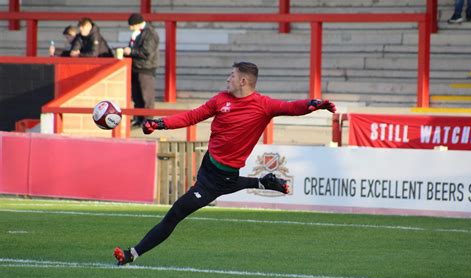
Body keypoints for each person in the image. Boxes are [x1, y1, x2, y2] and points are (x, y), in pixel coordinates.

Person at [114, 61, 336, 265]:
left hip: (218, 179)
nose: (227, 79)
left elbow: (291, 107)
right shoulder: (220, 100)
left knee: (177, 211)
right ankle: (265, 182)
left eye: (231, 75)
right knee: (223, 187)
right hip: (209, 165)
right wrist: (160, 124)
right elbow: (192, 116)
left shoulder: (263, 105)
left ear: (243, 81)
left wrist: (314, 103)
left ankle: (131, 254)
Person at [122, 13, 160, 127]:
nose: (130, 28)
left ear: (137, 24)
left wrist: (131, 52)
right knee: (137, 96)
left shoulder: (150, 33)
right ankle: (138, 119)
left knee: (146, 96)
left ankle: (148, 121)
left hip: (146, 68)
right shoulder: (138, 33)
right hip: (136, 67)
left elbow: (147, 52)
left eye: (131, 25)